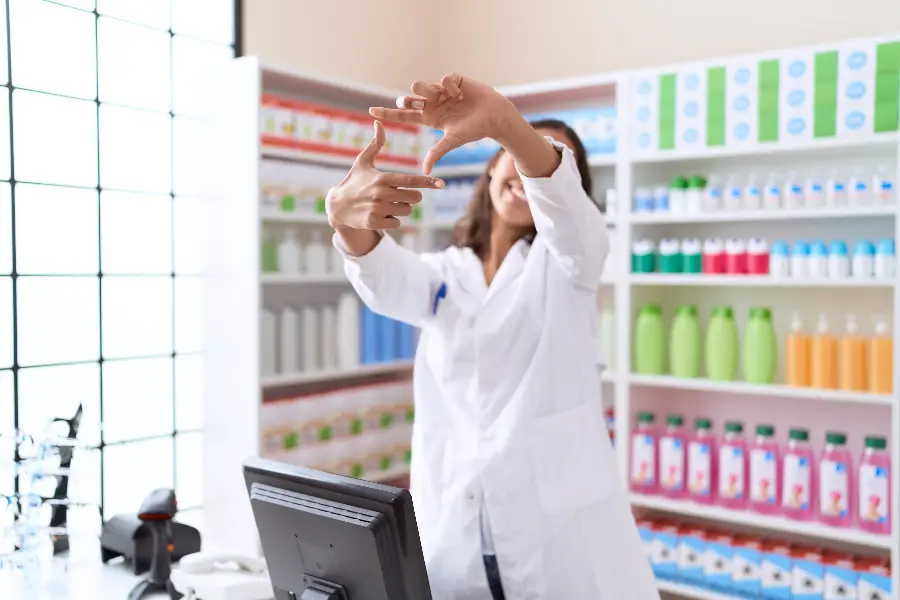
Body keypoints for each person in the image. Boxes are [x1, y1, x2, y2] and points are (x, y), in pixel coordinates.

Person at [326, 74, 659, 600]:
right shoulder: (446, 271)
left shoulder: (571, 264)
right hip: (458, 512)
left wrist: (507, 122)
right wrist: (343, 220)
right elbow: (387, 281)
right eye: (515, 152)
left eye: (550, 161)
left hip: (554, 530)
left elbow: (571, 218)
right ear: (491, 166)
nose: (529, 170)